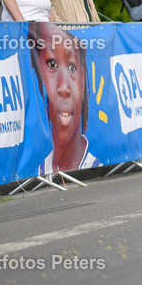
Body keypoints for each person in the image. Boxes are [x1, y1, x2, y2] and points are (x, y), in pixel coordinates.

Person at [29, 22, 98, 173]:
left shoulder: (97, 164)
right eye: (52, 64)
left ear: (82, 82)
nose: (64, 88)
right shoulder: (33, 169)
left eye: (72, 67)